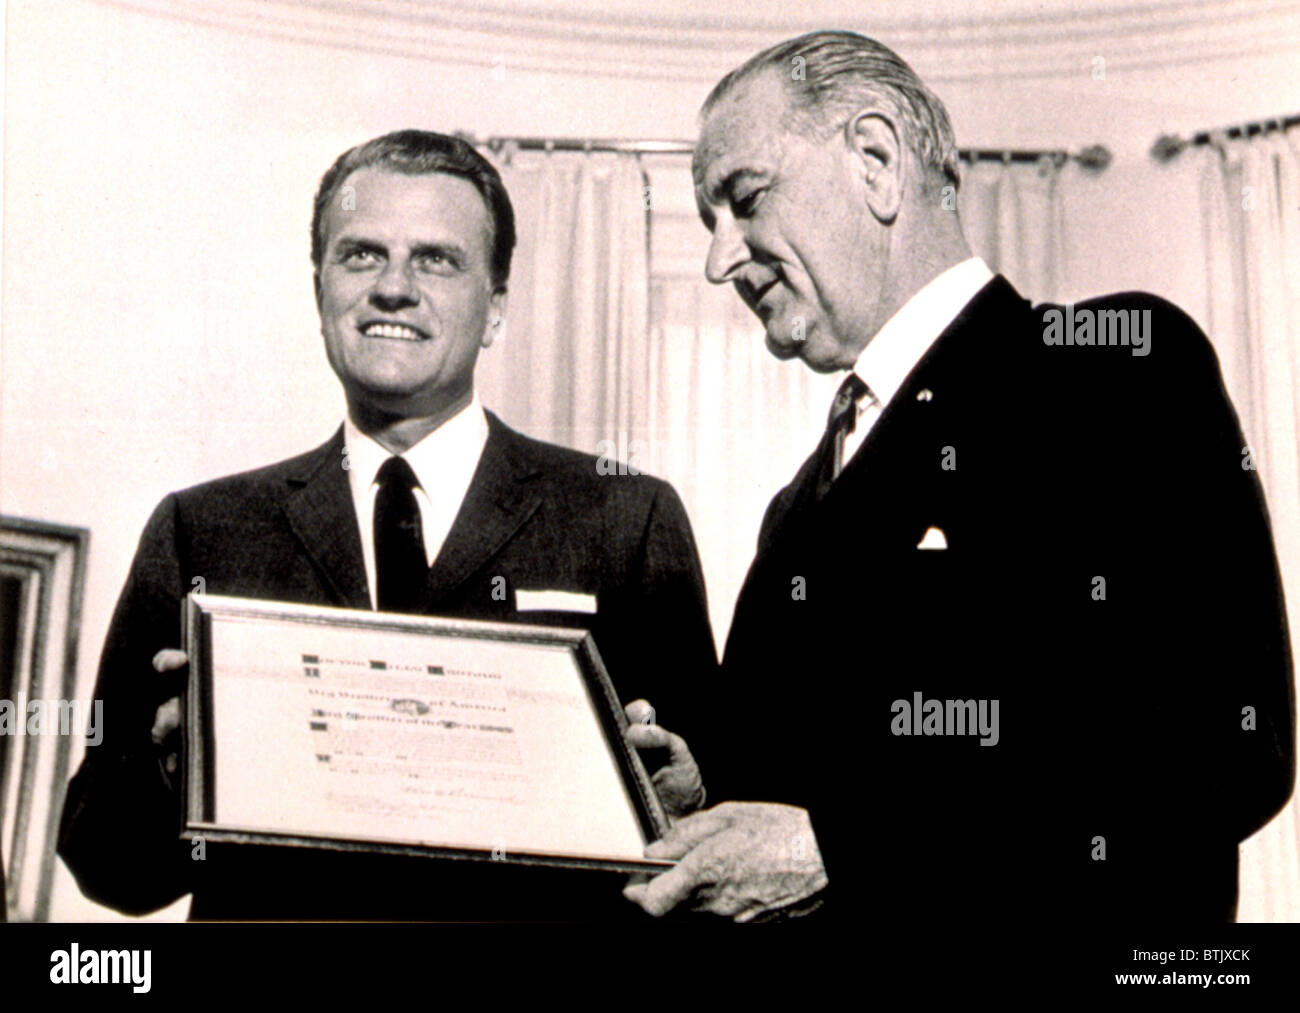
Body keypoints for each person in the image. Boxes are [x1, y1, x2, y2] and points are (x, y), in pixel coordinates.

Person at [623, 30, 1295, 925]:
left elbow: (1223, 747)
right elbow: (815, 794)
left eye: (744, 201)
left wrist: (841, 850)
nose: (719, 259)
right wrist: (706, 788)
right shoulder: (797, 501)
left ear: (875, 159)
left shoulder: (1110, 366)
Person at [58, 130, 715, 920]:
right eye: (361, 255)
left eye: (436, 259)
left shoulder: (623, 517)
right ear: (320, 290)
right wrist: (170, 771)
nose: (393, 288)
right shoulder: (204, 530)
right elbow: (103, 862)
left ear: (497, 308)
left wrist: (689, 798)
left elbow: (718, 833)